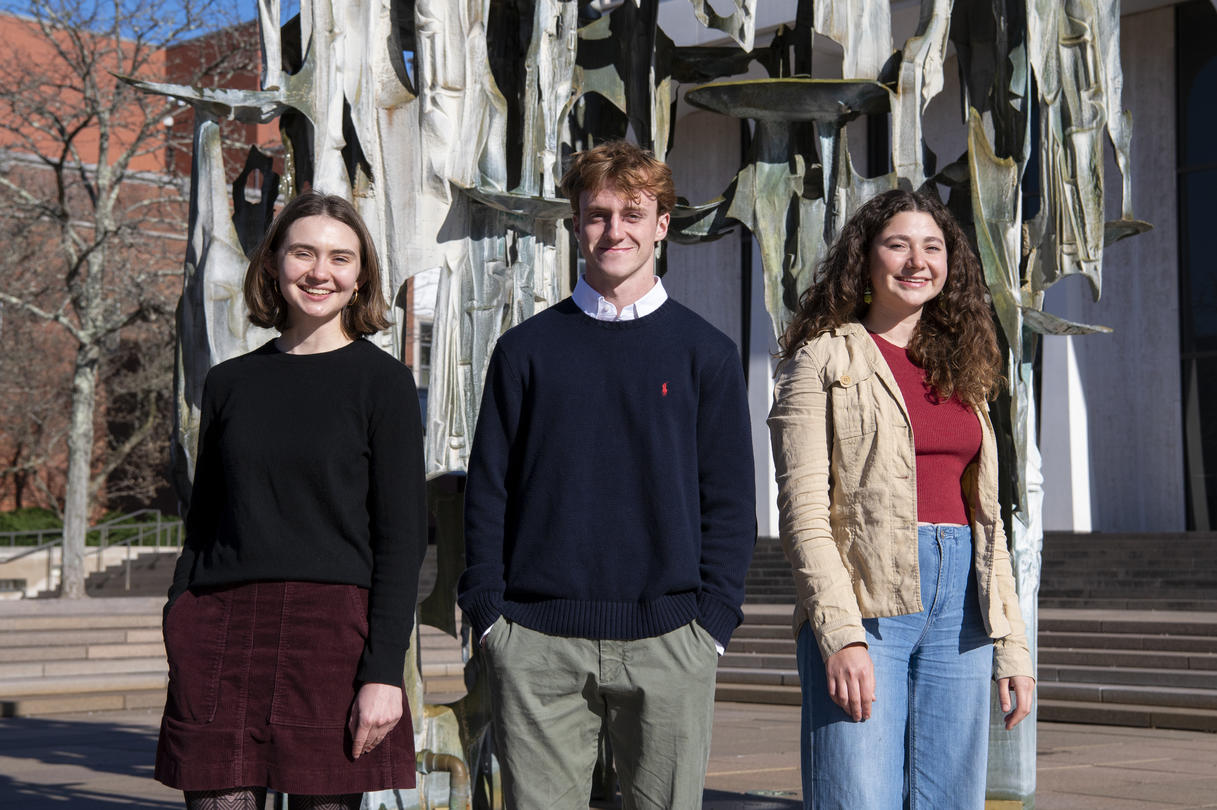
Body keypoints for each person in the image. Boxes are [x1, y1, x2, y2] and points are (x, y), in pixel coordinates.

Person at [457, 140, 756, 809]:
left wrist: (711, 623)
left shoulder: (706, 354)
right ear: (576, 224)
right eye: (597, 215)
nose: (613, 230)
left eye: (632, 214)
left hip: (671, 641)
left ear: (661, 225)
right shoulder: (524, 351)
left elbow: (730, 501)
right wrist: (490, 617)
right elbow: (488, 491)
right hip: (536, 643)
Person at [155, 192, 427, 810]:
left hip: (333, 638)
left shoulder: (383, 384)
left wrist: (384, 671)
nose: (319, 272)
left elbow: (402, 538)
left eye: (340, 258)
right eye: (303, 253)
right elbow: (205, 521)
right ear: (274, 263)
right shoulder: (230, 383)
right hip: (220, 630)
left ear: (361, 277)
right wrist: (180, 616)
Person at [767, 188, 1036, 809]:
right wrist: (840, 635)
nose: (918, 261)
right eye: (898, 245)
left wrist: (1012, 646)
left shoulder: (962, 369)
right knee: (857, 796)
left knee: (950, 801)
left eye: (933, 247)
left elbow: (989, 521)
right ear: (865, 259)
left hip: (963, 612)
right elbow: (803, 514)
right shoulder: (822, 358)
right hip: (866, 605)